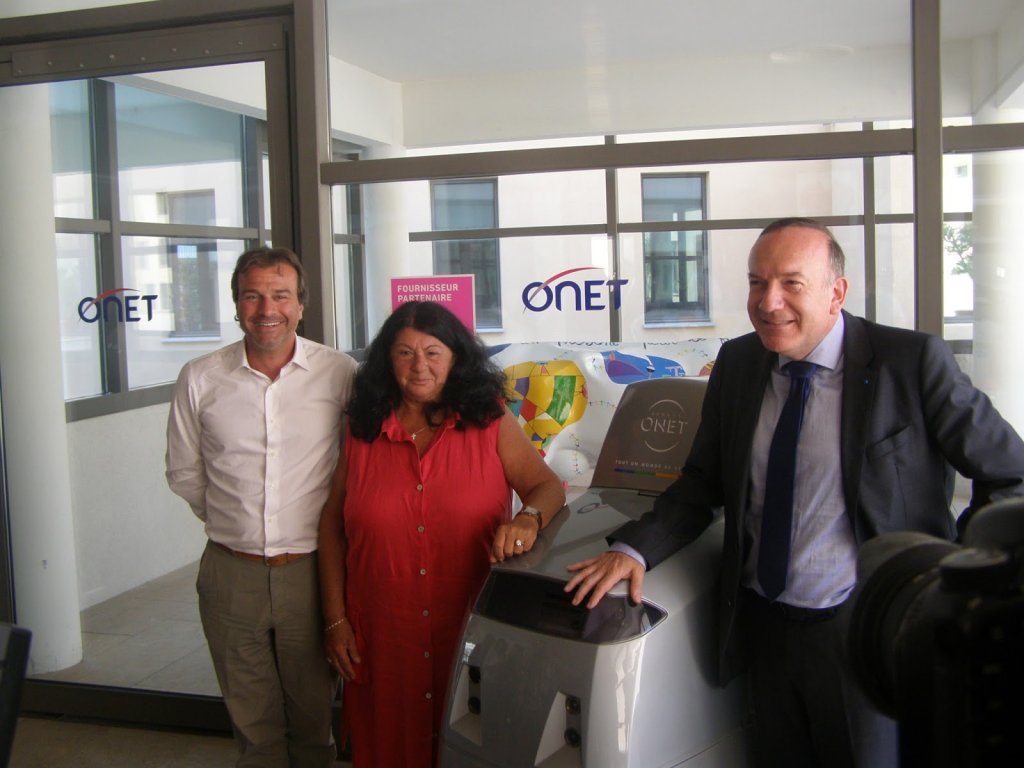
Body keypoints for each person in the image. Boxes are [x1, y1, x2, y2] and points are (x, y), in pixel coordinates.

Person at [565, 217, 1024, 768]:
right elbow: (703, 482)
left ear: (837, 292)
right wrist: (632, 548)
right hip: (766, 629)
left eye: (791, 283)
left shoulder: (911, 362)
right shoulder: (738, 363)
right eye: (757, 282)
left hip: (867, 630)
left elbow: (1010, 475)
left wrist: (950, 573)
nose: (768, 301)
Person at [318, 300, 565, 768]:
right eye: (405, 353)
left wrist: (528, 519)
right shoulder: (362, 429)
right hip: (383, 633)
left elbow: (547, 486)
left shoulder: (489, 420)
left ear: (456, 358)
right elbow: (332, 524)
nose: (419, 366)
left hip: (473, 626)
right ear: (387, 361)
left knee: (471, 745)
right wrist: (334, 620)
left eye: (433, 352)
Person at [165, 247, 357, 768]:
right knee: (254, 729)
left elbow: (359, 466)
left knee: (315, 724)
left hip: (313, 573)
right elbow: (184, 472)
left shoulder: (340, 374)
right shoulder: (200, 377)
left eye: (280, 295)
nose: (266, 308)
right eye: (252, 295)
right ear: (236, 305)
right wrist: (236, 523)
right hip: (230, 574)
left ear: (300, 306)